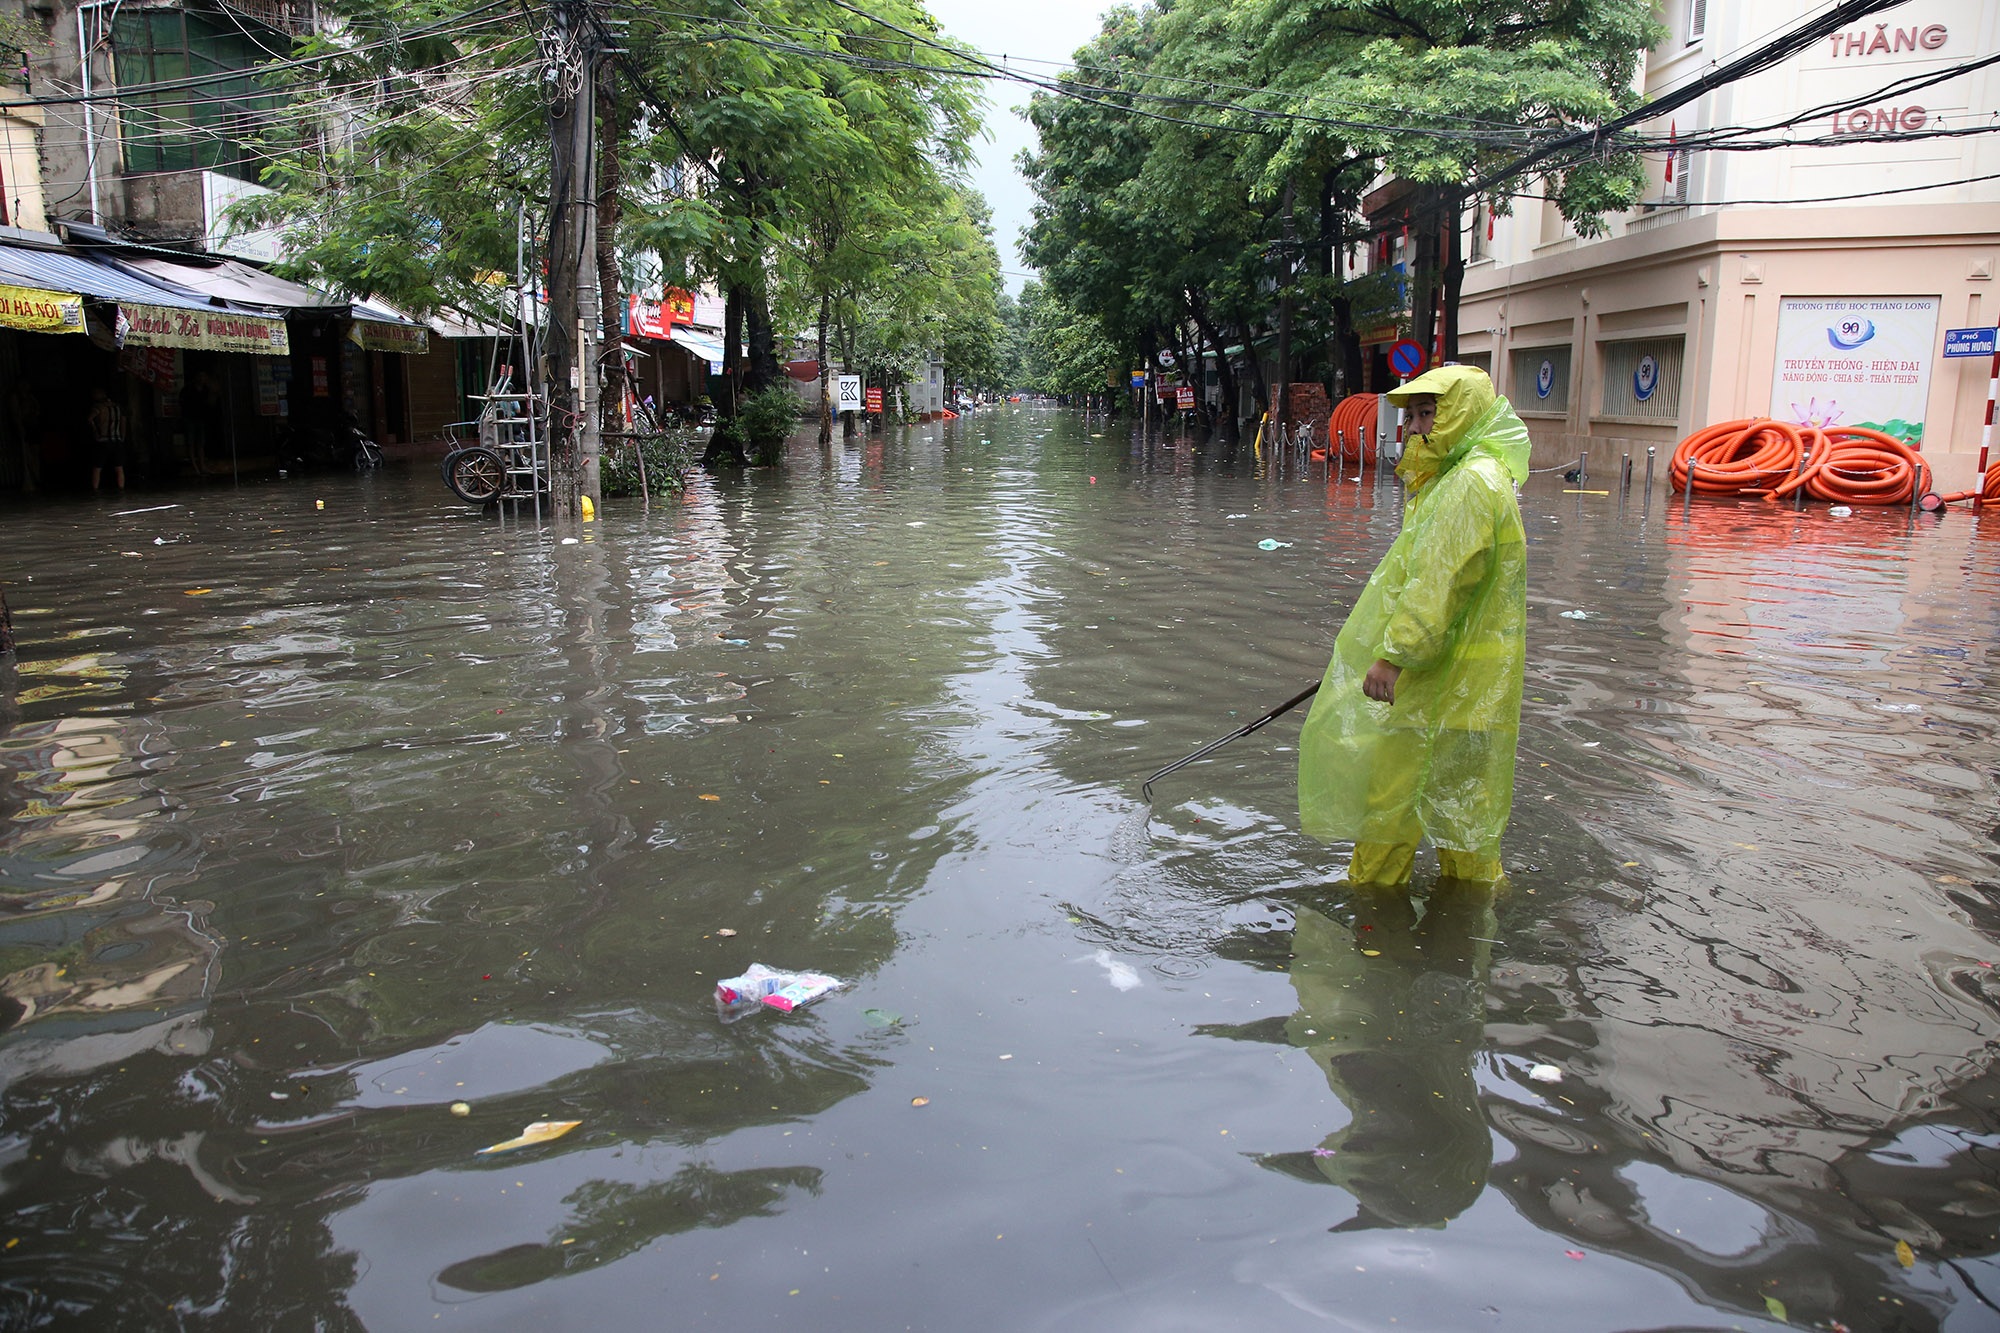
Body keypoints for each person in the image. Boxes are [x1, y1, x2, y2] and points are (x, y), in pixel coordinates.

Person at [1297, 364, 1530, 886]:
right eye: (1416, 415)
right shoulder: (1481, 475)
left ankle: (1369, 910)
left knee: (1390, 804)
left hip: (1434, 684)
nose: (1420, 427)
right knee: (1463, 816)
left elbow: (1438, 583)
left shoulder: (1467, 484)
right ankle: (1474, 915)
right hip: (1471, 690)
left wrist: (1394, 656)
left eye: (1431, 413)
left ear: (1461, 415)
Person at [88, 386, 127, 492]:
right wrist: (122, 436)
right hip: (117, 439)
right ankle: (121, 488)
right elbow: (124, 421)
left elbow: (89, 419)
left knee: (97, 468)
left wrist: (96, 430)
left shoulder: (98, 407)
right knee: (119, 467)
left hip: (103, 440)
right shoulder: (118, 407)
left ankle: (95, 489)